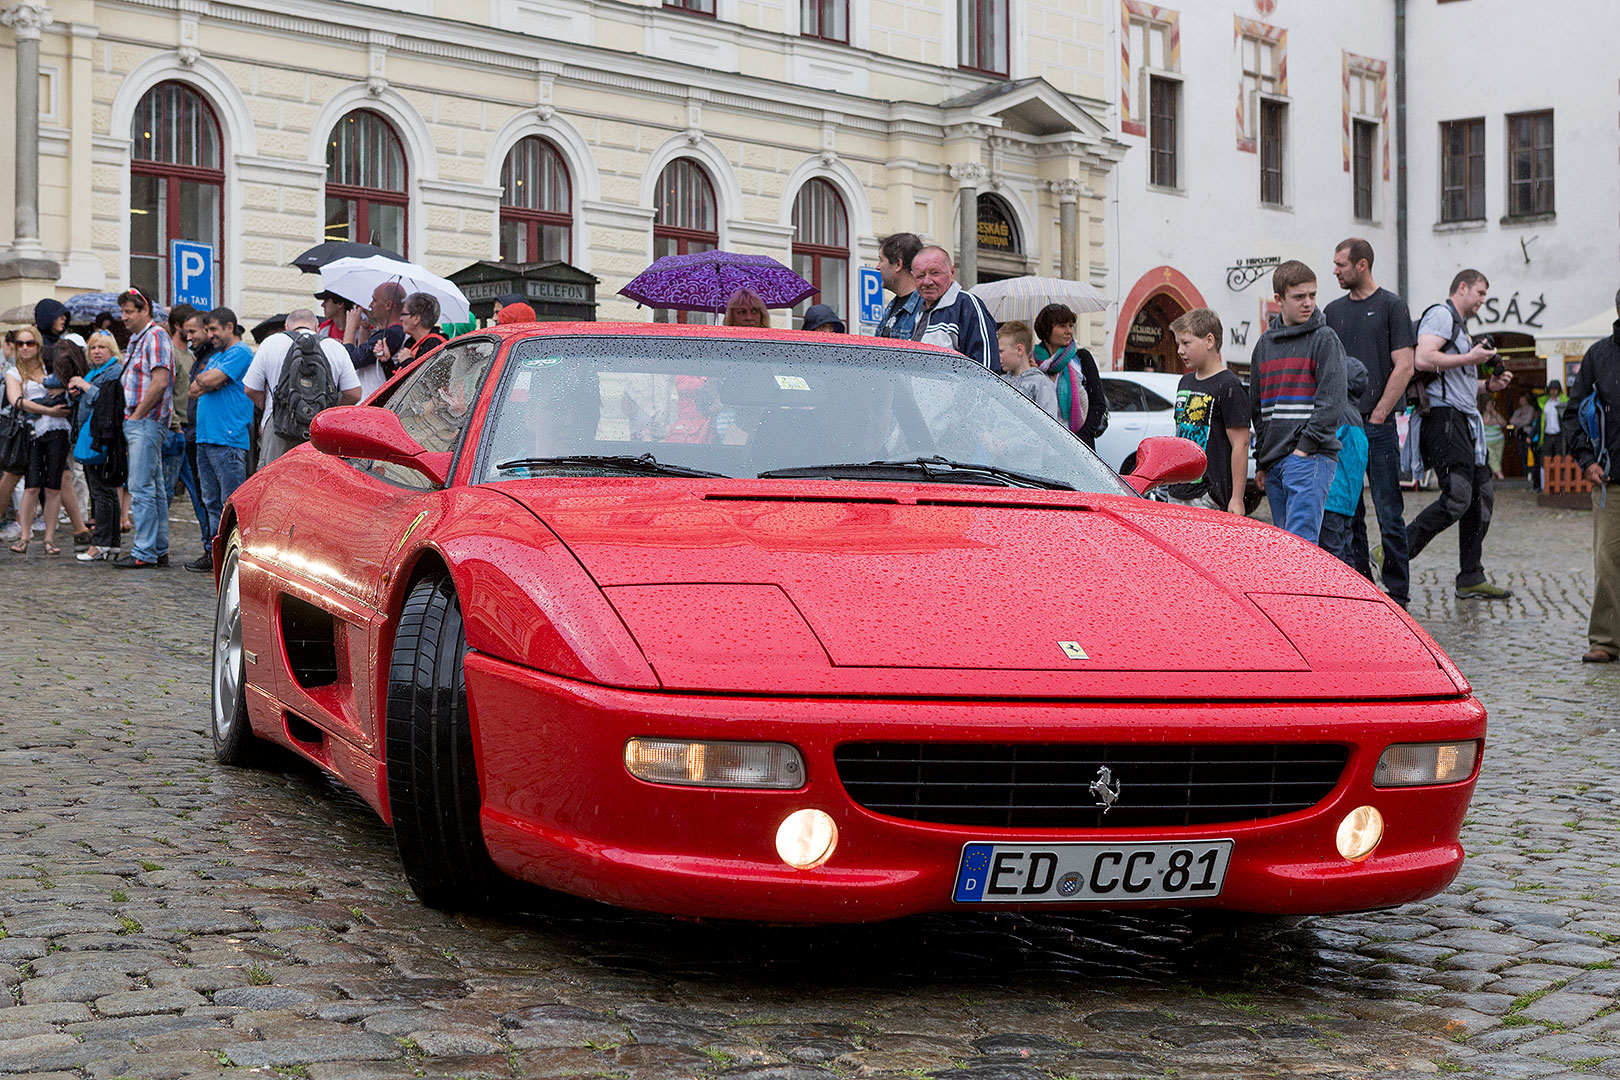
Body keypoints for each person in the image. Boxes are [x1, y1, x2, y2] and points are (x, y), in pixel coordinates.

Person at [1407, 269, 1515, 600]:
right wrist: (1471, 357)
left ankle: (1470, 575)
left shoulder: (1460, 326)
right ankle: (1395, 549)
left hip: (1461, 420)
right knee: (1457, 497)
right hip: (1443, 420)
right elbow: (1423, 357)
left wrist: (1487, 385)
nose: (1483, 300)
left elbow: (1455, 382)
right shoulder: (1441, 315)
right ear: (1462, 287)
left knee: (1480, 497)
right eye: (1480, 293)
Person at [1324, 237, 1416, 607]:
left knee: (1389, 510)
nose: (1335, 271)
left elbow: (1405, 365)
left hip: (1376, 426)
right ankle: (1361, 586)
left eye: (1341, 265)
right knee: (1350, 509)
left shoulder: (1392, 307)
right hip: (1341, 426)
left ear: (1362, 265)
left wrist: (1378, 415)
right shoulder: (1331, 311)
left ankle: (1398, 592)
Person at [1249, 260, 1346, 544]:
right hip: (1277, 461)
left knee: (1301, 548)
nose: (1309, 303)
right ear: (1278, 299)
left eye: (1313, 295)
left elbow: (1332, 402)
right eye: (1299, 296)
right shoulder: (1264, 345)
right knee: (1287, 549)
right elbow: (1258, 408)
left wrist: (1304, 449)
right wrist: (1263, 463)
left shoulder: (1324, 338)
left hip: (1310, 457)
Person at [1565, 294, 1620, 662]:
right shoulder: (1599, 356)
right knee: (1608, 560)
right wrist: (1586, 461)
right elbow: (1574, 413)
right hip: (1610, 479)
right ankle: (1605, 639)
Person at [243, 309, 363, 467]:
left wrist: (272, 408)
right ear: (317, 327)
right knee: (315, 483)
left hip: (278, 429)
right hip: (320, 430)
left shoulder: (271, 343)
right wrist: (329, 411)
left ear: (287, 326)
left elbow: (250, 389)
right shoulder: (335, 347)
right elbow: (354, 394)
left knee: (275, 483)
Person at [185, 307, 255, 572]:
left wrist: (210, 381)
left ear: (229, 327)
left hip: (228, 439)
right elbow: (193, 389)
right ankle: (216, 555)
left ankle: (233, 557)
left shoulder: (241, 352)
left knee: (230, 503)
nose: (210, 334)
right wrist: (208, 382)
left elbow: (211, 379)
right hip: (206, 437)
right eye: (208, 330)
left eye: (214, 329)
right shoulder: (217, 356)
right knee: (211, 501)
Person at [1162, 308, 1249, 514]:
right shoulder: (1185, 382)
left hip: (1208, 495)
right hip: (1178, 490)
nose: (1180, 351)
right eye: (1178, 344)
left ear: (1209, 341)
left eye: (1186, 343)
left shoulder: (1229, 385)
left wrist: (1236, 498)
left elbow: (1241, 443)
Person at [113, 288, 174, 569]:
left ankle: (144, 552)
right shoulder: (143, 338)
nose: (123, 317)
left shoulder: (155, 336)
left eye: (129, 312)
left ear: (145, 310)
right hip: (144, 422)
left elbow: (160, 382)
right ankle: (157, 549)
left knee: (141, 488)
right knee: (155, 488)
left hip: (146, 422)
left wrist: (136, 416)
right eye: (122, 311)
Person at [5, 329, 72, 555]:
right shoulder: (13, 372)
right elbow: (17, 401)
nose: (25, 347)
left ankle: (49, 540)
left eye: (30, 343)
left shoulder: (49, 368)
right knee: (31, 486)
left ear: (38, 345)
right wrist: (48, 410)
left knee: (53, 487)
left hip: (57, 431)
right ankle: (25, 537)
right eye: (20, 343)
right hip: (31, 432)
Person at [71, 330, 125, 562]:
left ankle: (101, 543)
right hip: (93, 436)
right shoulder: (94, 371)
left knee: (101, 492)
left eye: (101, 347)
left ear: (111, 349)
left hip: (102, 438)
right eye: (93, 348)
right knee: (106, 491)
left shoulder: (114, 370)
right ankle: (111, 543)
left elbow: (106, 400)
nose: (96, 351)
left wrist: (84, 386)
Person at [909, 245, 998, 370]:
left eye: (935, 273)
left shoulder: (966, 304)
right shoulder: (920, 311)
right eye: (920, 276)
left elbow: (986, 368)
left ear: (952, 273)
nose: (927, 282)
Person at [1320, 357, 1371, 567]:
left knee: (1332, 556)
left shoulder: (1337, 411)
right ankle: (1352, 595)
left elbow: (1323, 442)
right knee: (1346, 551)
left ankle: (1338, 597)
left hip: (1332, 497)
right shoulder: (1356, 416)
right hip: (1348, 502)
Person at [1033, 303, 1106, 447]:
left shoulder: (1081, 358)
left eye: (1071, 325)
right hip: (1044, 447)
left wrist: (1079, 440)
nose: (1069, 331)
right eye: (1062, 326)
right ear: (1046, 330)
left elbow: (1098, 404)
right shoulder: (1033, 363)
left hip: (1079, 446)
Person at [343, 281, 406, 396]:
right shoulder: (392, 332)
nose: (370, 305)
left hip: (374, 402)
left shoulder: (391, 334)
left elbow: (350, 360)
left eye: (374, 300)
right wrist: (365, 327)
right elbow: (365, 356)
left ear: (388, 305)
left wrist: (350, 326)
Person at [996, 321, 1060, 420]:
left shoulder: (1041, 384)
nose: (998, 355)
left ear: (1020, 350)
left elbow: (1049, 423)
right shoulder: (1000, 381)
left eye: (1001, 351)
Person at [874, 232, 924, 340]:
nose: (877, 267)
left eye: (881, 260)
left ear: (898, 264)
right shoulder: (892, 307)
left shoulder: (924, 308)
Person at [394, 292, 447, 373]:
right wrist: (385, 361)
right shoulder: (411, 343)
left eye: (403, 314)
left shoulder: (434, 343)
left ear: (416, 318)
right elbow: (398, 382)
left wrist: (407, 362)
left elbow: (427, 381)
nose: (401, 318)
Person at [1482, 394, 1507, 479]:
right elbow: (1487, 422)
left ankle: (1494, 478)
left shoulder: (1496, 414)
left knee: (1497, 460)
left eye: (1491, 404)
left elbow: (1503, 423)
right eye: (1488, 405)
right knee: (1492, 459)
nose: (1490, 407)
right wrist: (1495, 422)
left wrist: (1495, 414)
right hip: (1488, 442)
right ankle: (1501, 476)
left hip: (1499, 440)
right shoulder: (1483, 415)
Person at [1541, 380, 1564, 460]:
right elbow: (1541, 421)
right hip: (1547, 435)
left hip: (1559, 435)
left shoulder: (1562, 402)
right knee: (1546, 457)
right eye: (1551, 389)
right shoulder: (1545, 403)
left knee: (1559, 457)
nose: (1553, 391)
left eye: (1555, 389)